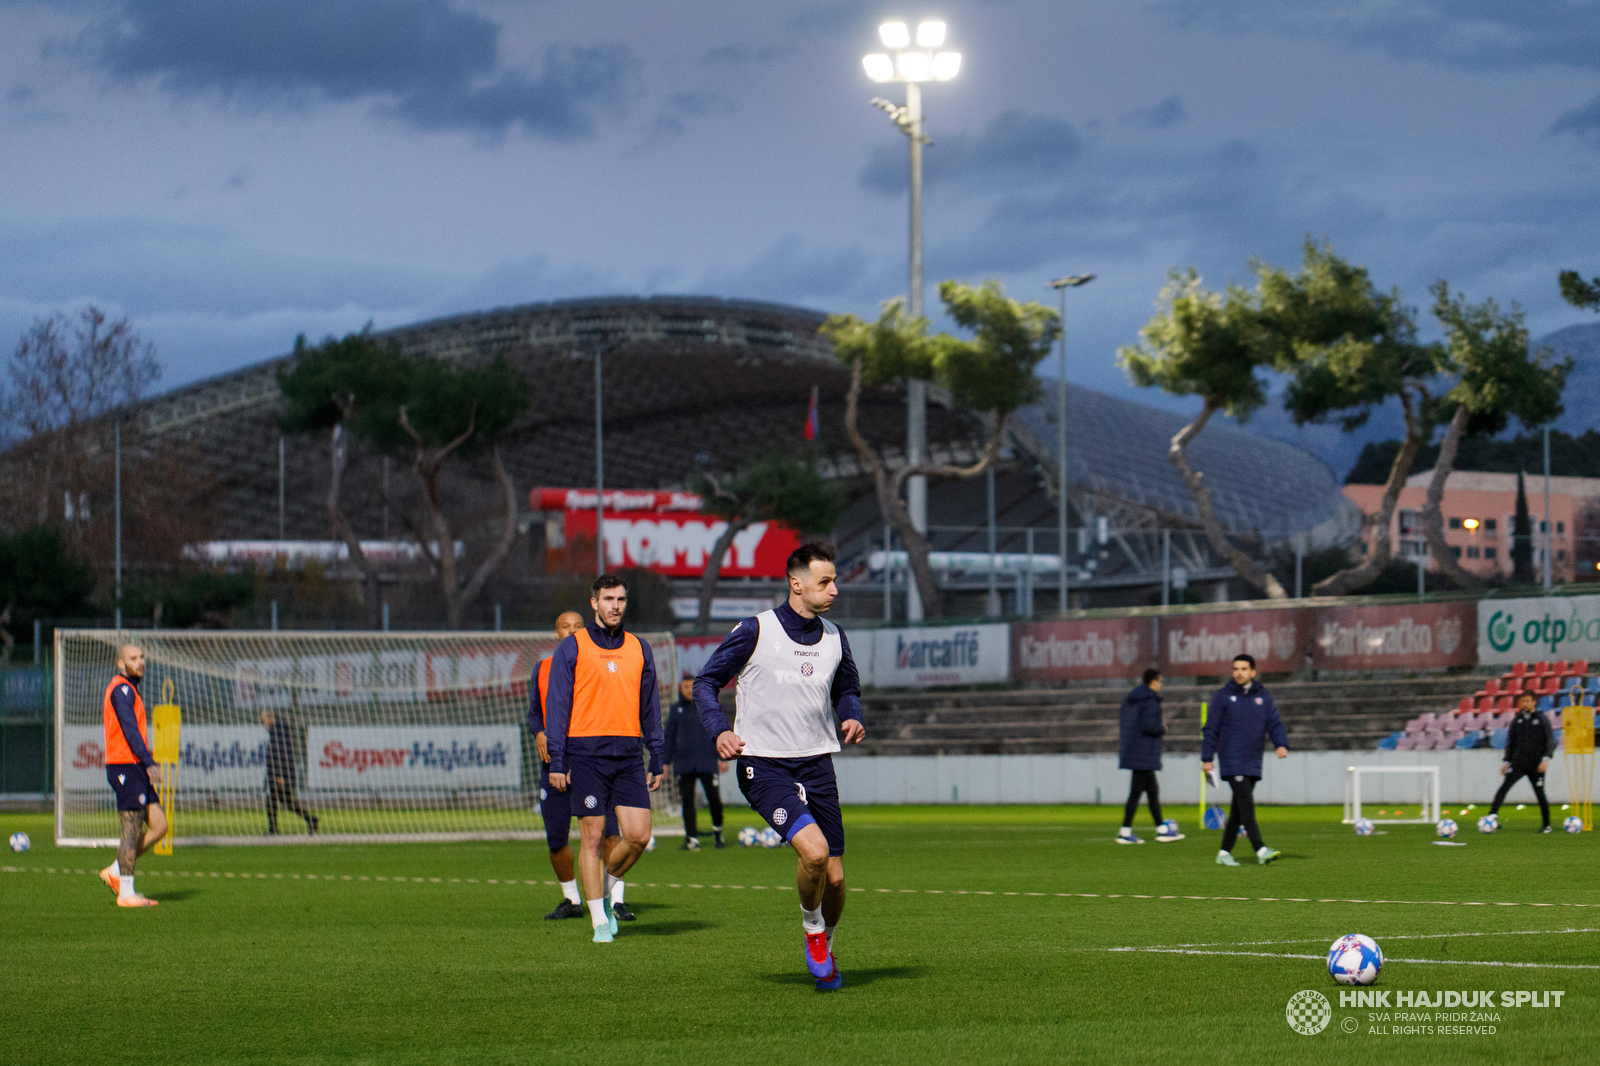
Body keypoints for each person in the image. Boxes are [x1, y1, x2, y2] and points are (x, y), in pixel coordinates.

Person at [694, 542, 866, 991]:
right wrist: (720, 731)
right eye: (824, 581)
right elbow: (706, 682)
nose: (834, 589)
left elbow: (848, 686)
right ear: (796, 584)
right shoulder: (756, 630)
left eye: (834, 580)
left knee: (836, 876)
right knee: (814, 852)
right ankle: (812, 932)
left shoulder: (834, 636)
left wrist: (852, 714)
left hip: (817, 764)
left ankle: (825, 942)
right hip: (764, 764)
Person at [543, 574, 665, 943]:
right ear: (594, 603)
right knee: (592, 838)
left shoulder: (640, 648)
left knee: (639, 836)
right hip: (586, 754)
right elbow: (559, 705)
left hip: (628, 754)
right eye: (608, 599)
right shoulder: (573, 647)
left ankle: (607, 892)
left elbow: (650, 706)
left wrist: (656, 754)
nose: (615, 605)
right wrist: (558, 759)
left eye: (621, 599)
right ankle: (599, 919)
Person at [530, 609, 629, 920]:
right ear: (556, 633)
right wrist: (539, 732)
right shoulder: (543, 668)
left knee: (609, 833)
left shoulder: (599, 661)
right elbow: (536, 713)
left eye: (576, 625)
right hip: (554, 764)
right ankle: (572, 900)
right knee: (557, 837)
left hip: (591, 760)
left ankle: (616, 901)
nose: (571, 631)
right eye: (564, 626)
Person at [1200, 653, 1288, 866]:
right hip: (1232, 759)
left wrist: (1281, 743)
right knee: (1247, 805)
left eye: (1243, 669)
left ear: (1252, 672)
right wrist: (1207, 758)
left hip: (1253, 760)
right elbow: (1211, 728)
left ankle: (1223, 852)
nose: (1238, 673)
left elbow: (1274, 723)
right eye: (1235, 669)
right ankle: (1260, 849)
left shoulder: (1262, 696)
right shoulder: (1223, 696)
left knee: (1238, 810)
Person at [96, 644, 167, 907]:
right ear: (120, 664)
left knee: (159, 826)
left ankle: (115, 870)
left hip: (135, 766)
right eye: (133, 659)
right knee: (131, 829)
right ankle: (126, 893)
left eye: (142, 657)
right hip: (125, 766)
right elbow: (129, 730)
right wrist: (149, 761)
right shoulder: (121, 689)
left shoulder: (131, 690)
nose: (140, 662)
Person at [664, 674, 727, 850]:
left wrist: (722, 756)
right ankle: (692, 838)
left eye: (692, 686)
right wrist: (665, 762)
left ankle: (718, 831)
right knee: (687, 801)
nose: (689, 690)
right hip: (684, 763)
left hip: (707, 761)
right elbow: (669, 737)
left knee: (714, 798)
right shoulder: (676, 710)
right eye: (685, 687)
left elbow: (720, 731)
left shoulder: (707, 708)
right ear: (680, 689)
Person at [1118, 668, 1180, 843]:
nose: (1161, 685)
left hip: (1135, 749)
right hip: (1144, 752)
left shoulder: (1133, 698)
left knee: (1152, 791)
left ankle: (1161, 829)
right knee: (1136, 794)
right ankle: (1124, 832)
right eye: (1160, 681)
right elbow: (1149, 725)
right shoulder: (1150, 699)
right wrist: (1163, 728)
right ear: (1153, 681)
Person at [1489, 690, 1555, 833]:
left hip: (1536, 765)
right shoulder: (1517, 720)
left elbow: (1550, 740)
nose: (1524, 704)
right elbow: (1510, 742)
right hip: (1518, 763)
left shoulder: (1542, 719)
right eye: (1522, 701)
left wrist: (1546, 759)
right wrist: (1506, 761)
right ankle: (1491, 818)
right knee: (1503, 788)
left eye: (1527, 701)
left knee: (1540, 794)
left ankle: (1547, 825)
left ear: (1534, 702)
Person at [263, 710, 319, 836]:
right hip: (282, 772)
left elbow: (281, 754)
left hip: (281, 773)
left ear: (270, 718)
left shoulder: (278, 732)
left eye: (264, 718)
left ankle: (273, 830)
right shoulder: (280, 730)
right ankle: (311, 820)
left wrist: (280, 775)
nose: (263, 722)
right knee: (285, 801)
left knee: (275, 800)